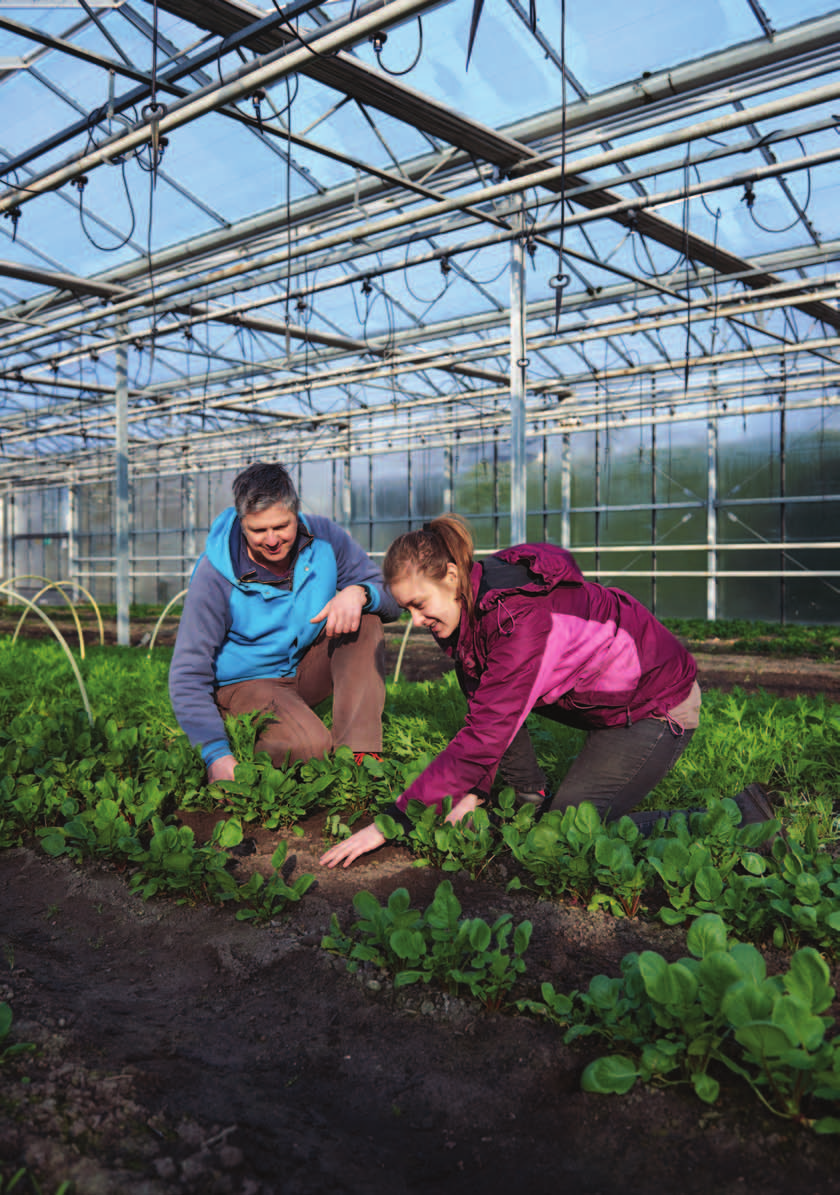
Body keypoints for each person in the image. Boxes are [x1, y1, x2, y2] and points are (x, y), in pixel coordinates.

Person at [320, 514, 775, 868]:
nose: (416, 621)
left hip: (656, 705)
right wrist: (475, 792)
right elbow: (487, 710)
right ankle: (526, 797)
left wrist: (393, 821)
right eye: (407, 609)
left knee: (566, 832)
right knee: (496, 709)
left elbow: (484, 737)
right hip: (603, 706)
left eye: (419, 605)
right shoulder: (468, 613)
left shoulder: (518, 620)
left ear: (454, 577)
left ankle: (741, 816)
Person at [169, 461, 400, 784]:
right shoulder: (215, 574)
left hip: (303, 668)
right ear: (241, 521)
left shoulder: (325, 539)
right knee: (308, 748)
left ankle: (359, 753)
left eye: (282, 526)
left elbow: (391, 596)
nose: (273, 539)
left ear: (296, 513)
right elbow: (187, 671)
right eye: (258, 530)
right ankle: (255, 725)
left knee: (366, 618)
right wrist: (215, 752)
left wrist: (360, 592)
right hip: (247, 683)